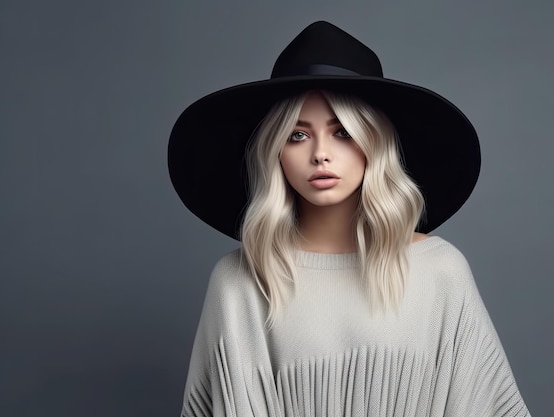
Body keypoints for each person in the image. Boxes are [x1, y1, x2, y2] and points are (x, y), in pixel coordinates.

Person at [168, 21, 531, 417]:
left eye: (343, 132)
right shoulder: (239, 280)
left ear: (373, 143)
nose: (321, 154)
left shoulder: (440, 271)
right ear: (274, 151)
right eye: (297, 135)